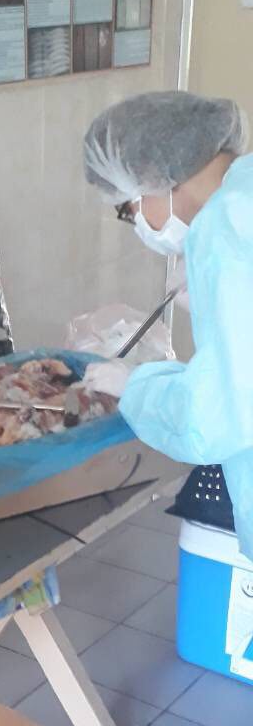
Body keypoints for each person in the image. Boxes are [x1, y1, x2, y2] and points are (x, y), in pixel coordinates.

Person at [82, 90, 253, 556]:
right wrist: (213, 302)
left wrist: (136, 386)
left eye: (128, 208)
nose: (136, 221)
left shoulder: (225, 235)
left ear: (155, 179)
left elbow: (211, 419)